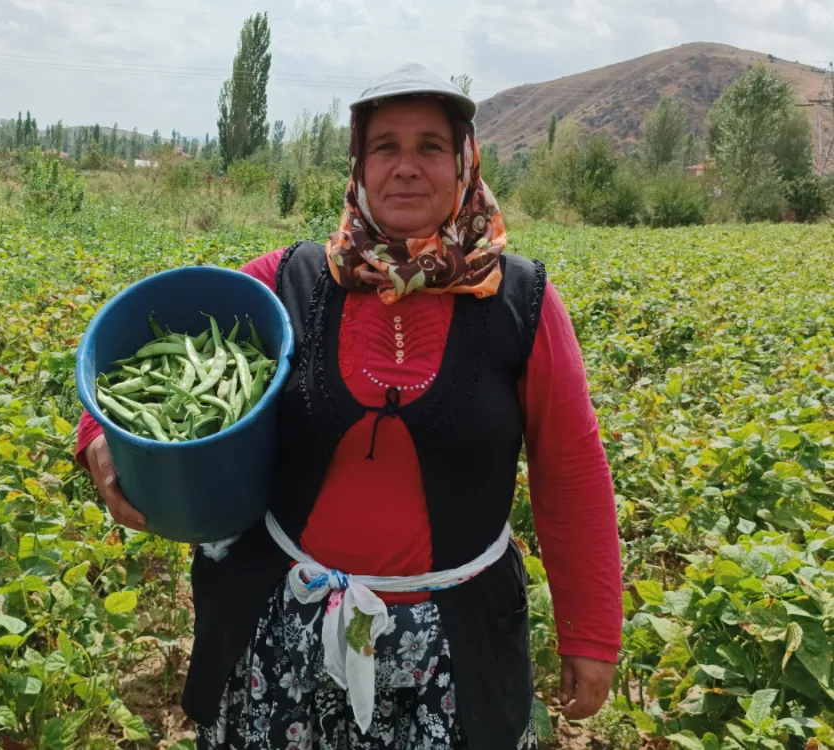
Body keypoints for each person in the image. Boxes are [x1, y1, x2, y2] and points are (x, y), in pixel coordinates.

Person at [76, 63, 622, 750]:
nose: (406, 167)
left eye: (429, 146)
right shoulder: (292, 279)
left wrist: (592, 631)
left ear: (464, 164)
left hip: (451, 647)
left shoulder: (520, 303)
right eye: (385, 146)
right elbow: (135, 352)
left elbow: (571, 469)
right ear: (360, 166)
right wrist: (98, 430)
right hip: (286, 632)